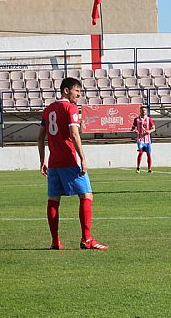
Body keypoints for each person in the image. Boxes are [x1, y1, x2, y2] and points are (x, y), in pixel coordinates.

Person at [37, 77, 109, 250]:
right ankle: (87, 239)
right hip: (70, 161)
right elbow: (74, 134)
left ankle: (55, 241)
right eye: (77, 90)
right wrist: (83, 158)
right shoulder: (70, 107)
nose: (79, 94)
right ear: (66, 90)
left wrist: (42, 160)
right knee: (86, 195)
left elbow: (40, 137)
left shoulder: (48, 110)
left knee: (53, 200)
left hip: (54, 162)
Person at [131, 106, 156, 173]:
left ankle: (149, 169)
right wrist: (135, 130)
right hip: (140, 139)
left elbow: (153, 128)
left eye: (144, 110)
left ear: (146, 111)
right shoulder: (137, 119)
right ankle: (138, 167)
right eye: (142, 110)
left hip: (148, 140)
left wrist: (149, 131)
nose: (143, 112)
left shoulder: (149, 119)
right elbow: (133, 128)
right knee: (141, 152)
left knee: (149, 154)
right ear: (140, 111)